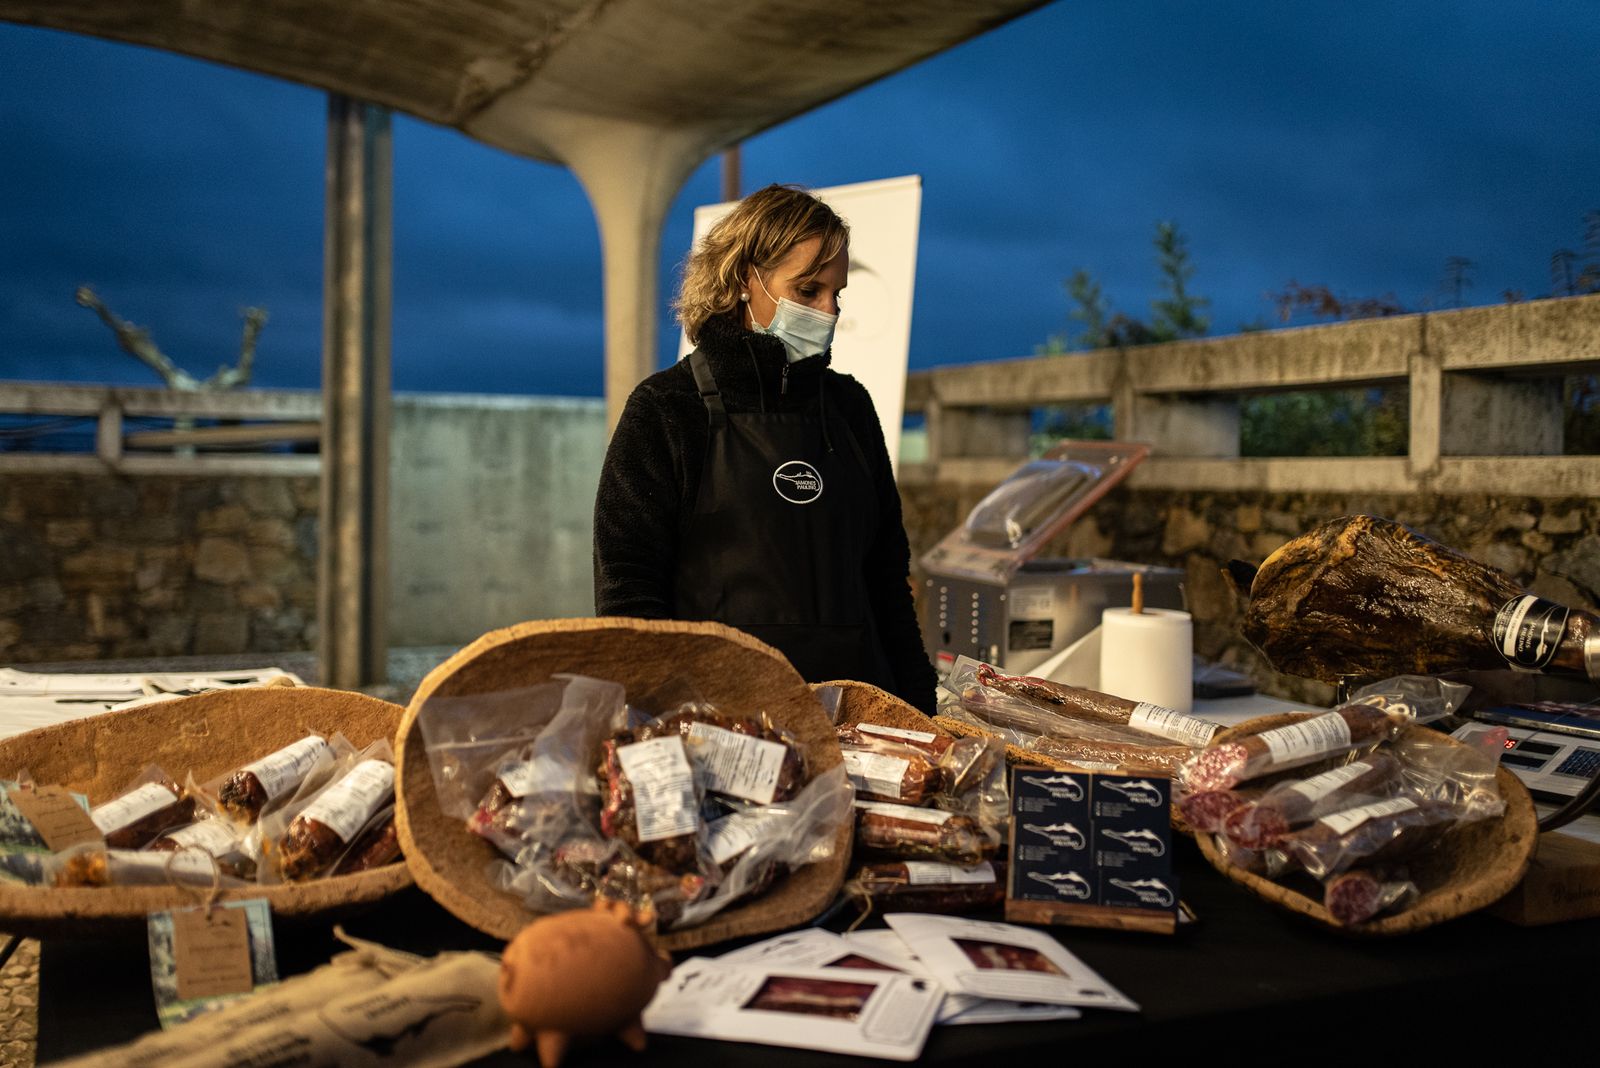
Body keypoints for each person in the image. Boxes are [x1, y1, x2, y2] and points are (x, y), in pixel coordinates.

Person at [593, 183, 938, 714]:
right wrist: (660, 724)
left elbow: (888, 582)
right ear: (740, 280)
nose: (828, 312)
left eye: (835, 294)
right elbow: (629, 599)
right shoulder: (666, 409)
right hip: (722, 727)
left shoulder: (849, 407)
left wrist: (923, 714)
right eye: (807, 291)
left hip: (860, 720)